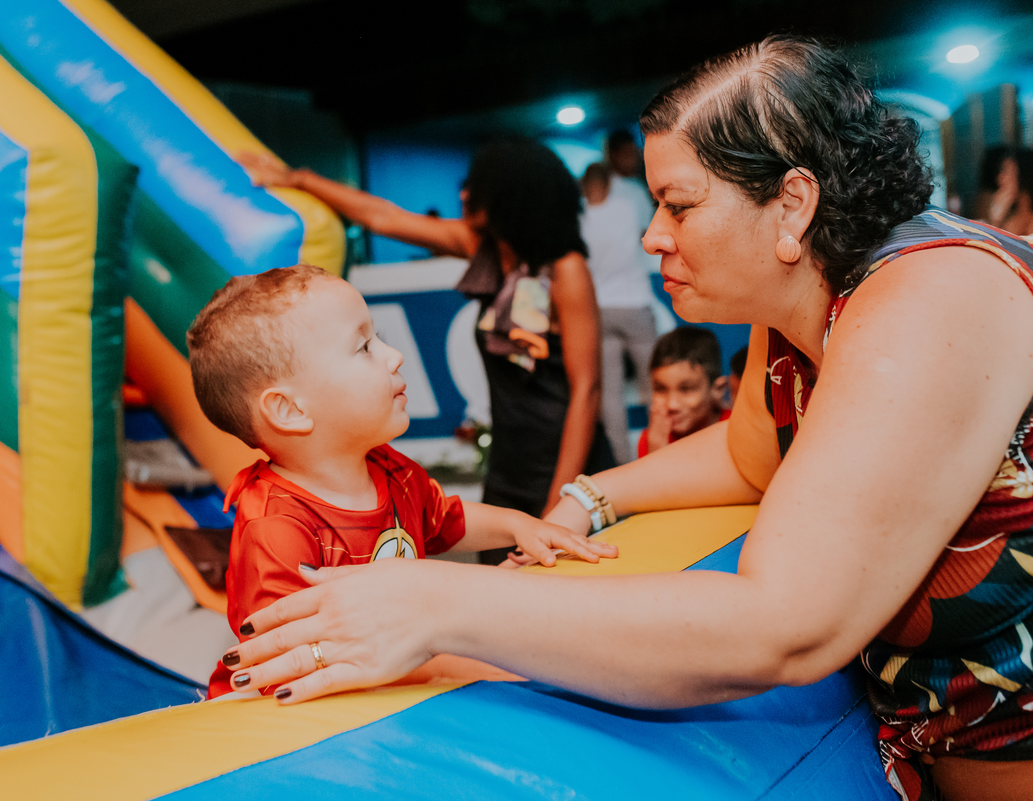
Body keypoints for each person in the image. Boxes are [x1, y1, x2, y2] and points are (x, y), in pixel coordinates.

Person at [223, 36, 1033, 801]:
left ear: (792, 203)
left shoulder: (933, 302)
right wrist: (595, 492)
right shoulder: (798, 302)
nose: (652, 237)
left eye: (679, 206)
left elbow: (783, 625)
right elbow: (754, 456)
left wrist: (435, 604)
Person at [187, 265, 614, 698]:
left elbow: (446, 520)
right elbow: (294, 660)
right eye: (365, 347)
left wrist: (521, 526)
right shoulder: (276, 529)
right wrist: (455, 663)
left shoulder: (389, 469)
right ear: (290, 411)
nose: (395, 356)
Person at [239, 139, 615, 546]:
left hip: (566, 461)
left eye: (477, 185)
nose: (464, 193)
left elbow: (586, 390)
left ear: (511, 197)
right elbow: (384, 218)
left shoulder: (565, 269)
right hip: (510, 462)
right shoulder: (486, 249)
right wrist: (297, 179)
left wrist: (562, 499)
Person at [579, 162, 659, 464]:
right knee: (654, 386)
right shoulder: (627, 206)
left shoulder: (580, 218)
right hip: (635, 305)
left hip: (600, 310)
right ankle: (658, 454)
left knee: (610, 396)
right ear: (610, 184)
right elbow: (647, 233)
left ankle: (624, 462)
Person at [637, 327, 729, 458]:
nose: (672, 405)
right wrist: (656, 453)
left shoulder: (738, 432)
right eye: (661, 389)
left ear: (718, 389)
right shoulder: (653, 439)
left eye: (686, 389)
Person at [976, 145, 1033, 237]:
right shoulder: (1009, 217)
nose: (1000, 177)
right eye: (1001, 171)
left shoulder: (1027, 223)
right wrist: (996, 220)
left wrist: (996, 221)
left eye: (1007, 172)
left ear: (1024, 176)